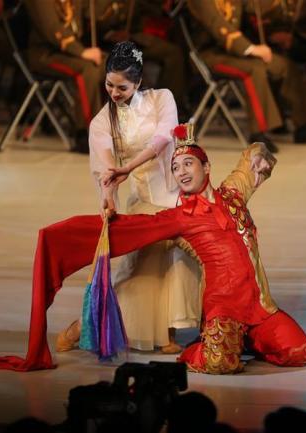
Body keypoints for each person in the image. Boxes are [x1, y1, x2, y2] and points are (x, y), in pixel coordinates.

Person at [33, 126, 306, 373]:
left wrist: (259, 154)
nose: (181, 172)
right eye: (176, 168)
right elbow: (132, 229)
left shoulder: (233, 192)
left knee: (299, 352)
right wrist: (74, 231)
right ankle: (207, 344)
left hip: (261, 306)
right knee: (218, 364)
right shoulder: (180, 216)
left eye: (188, 164)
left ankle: (244, 340)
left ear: (206, 167)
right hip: (224, 309)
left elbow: (254, 154)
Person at [56, 41, 200, 354]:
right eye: (109, 84)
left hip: (178, 196)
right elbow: (107, 168)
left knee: (179, 263)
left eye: (122, 86)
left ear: (137, 82)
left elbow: (164, 138)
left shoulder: (162, 98)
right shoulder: (101, 122)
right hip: (146, 202)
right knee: (143, 271)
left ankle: (169, 331)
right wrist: (109, 195)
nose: (114, 92)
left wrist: (130, 165)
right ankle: (85, 325)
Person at [187, 0, 306, 152]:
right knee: (254, 69)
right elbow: (218, 26)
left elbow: (259, 7)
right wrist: (250, 49)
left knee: (284, 65)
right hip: (211, 56)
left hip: (234, 54)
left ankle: (304, 126)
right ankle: (258, 132)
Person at [25, 0, 106, 153]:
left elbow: (95, 16)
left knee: (113, 63)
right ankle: (85, 132)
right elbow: (51, 29)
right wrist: (81, 52)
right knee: (88, 69)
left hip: (70, 53)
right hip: (46, 54)